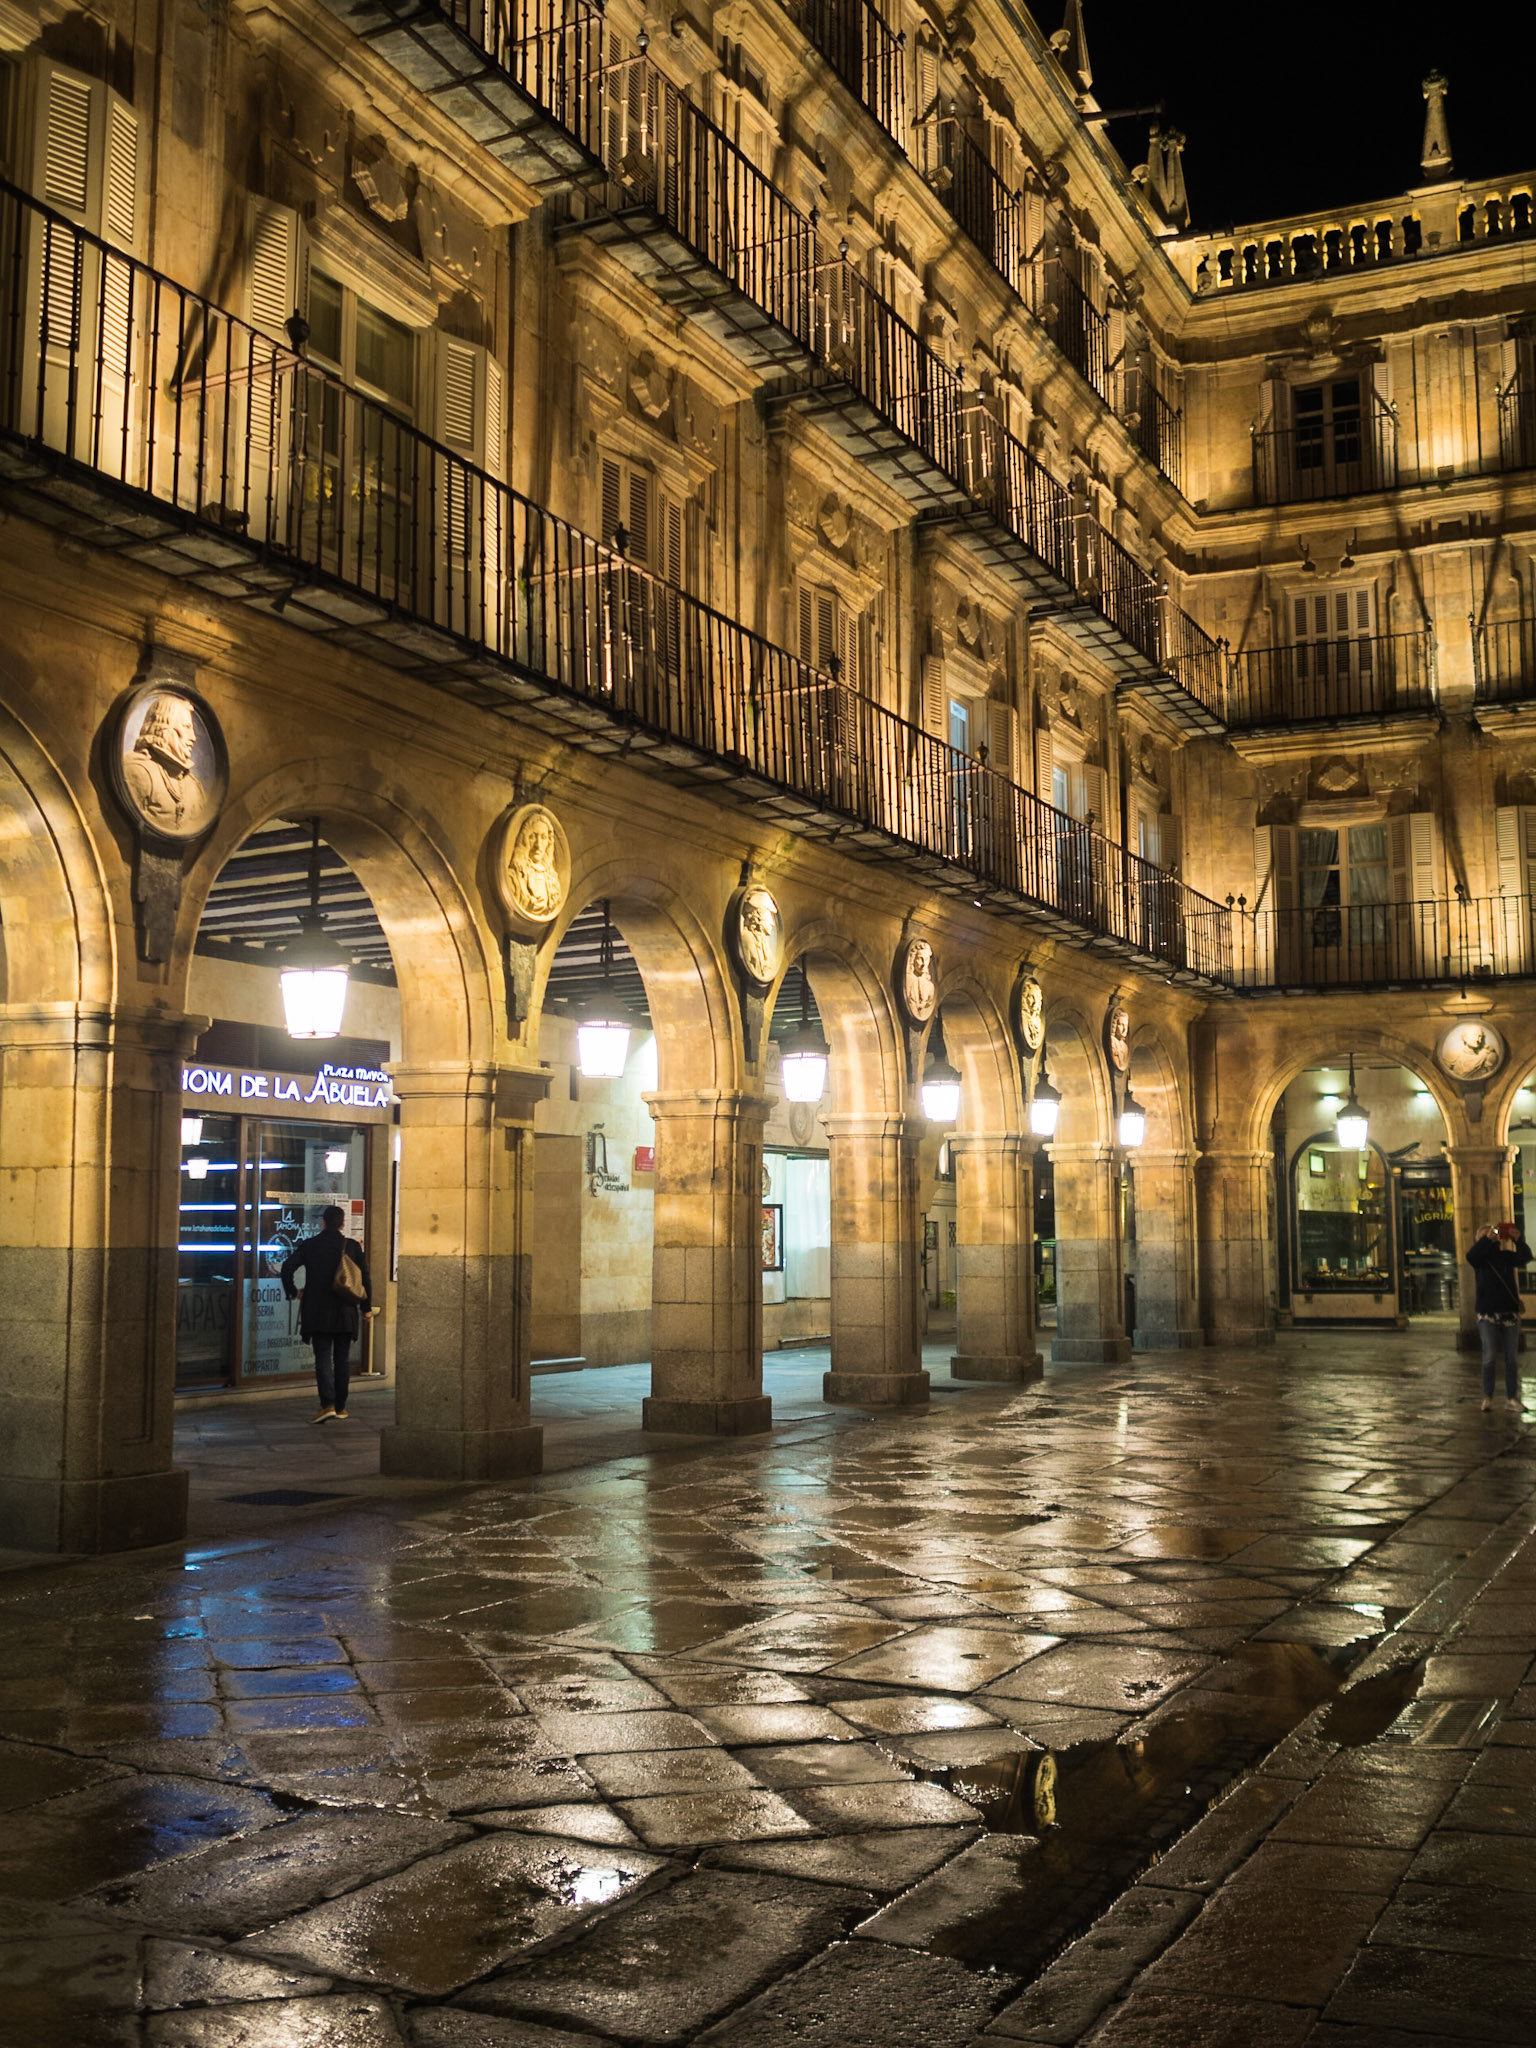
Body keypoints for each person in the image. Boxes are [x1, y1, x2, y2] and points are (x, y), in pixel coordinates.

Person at [280, 1205, 372, 1423]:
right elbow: (364, 1279)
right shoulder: (352, 1247)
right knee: (342, 1360)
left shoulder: (311, 1245)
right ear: (342, 1224)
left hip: (318, 1311)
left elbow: (286, 1267)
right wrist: (366, 1308)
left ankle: (327, 1404)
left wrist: (294, 1291)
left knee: (322, 1358)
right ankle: (340, 1407)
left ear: (323, 1222)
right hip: (345, 1311)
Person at [1466, 1221, 1531, 1414]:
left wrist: (1518, 1239)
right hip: (1487, 1314)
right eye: (1487, 1234)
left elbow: (1525, 1257)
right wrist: (1486, 1238)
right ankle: (1488, 1396)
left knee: (1511, 1358)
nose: (1493, 1236)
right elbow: (1471, 1256)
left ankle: (1512, 1398)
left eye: (1494, 1233)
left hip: (1509, 1313)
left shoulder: (1505, 1257)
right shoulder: (1479, 1260)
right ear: (1479, 1239)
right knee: (1489, 1357)